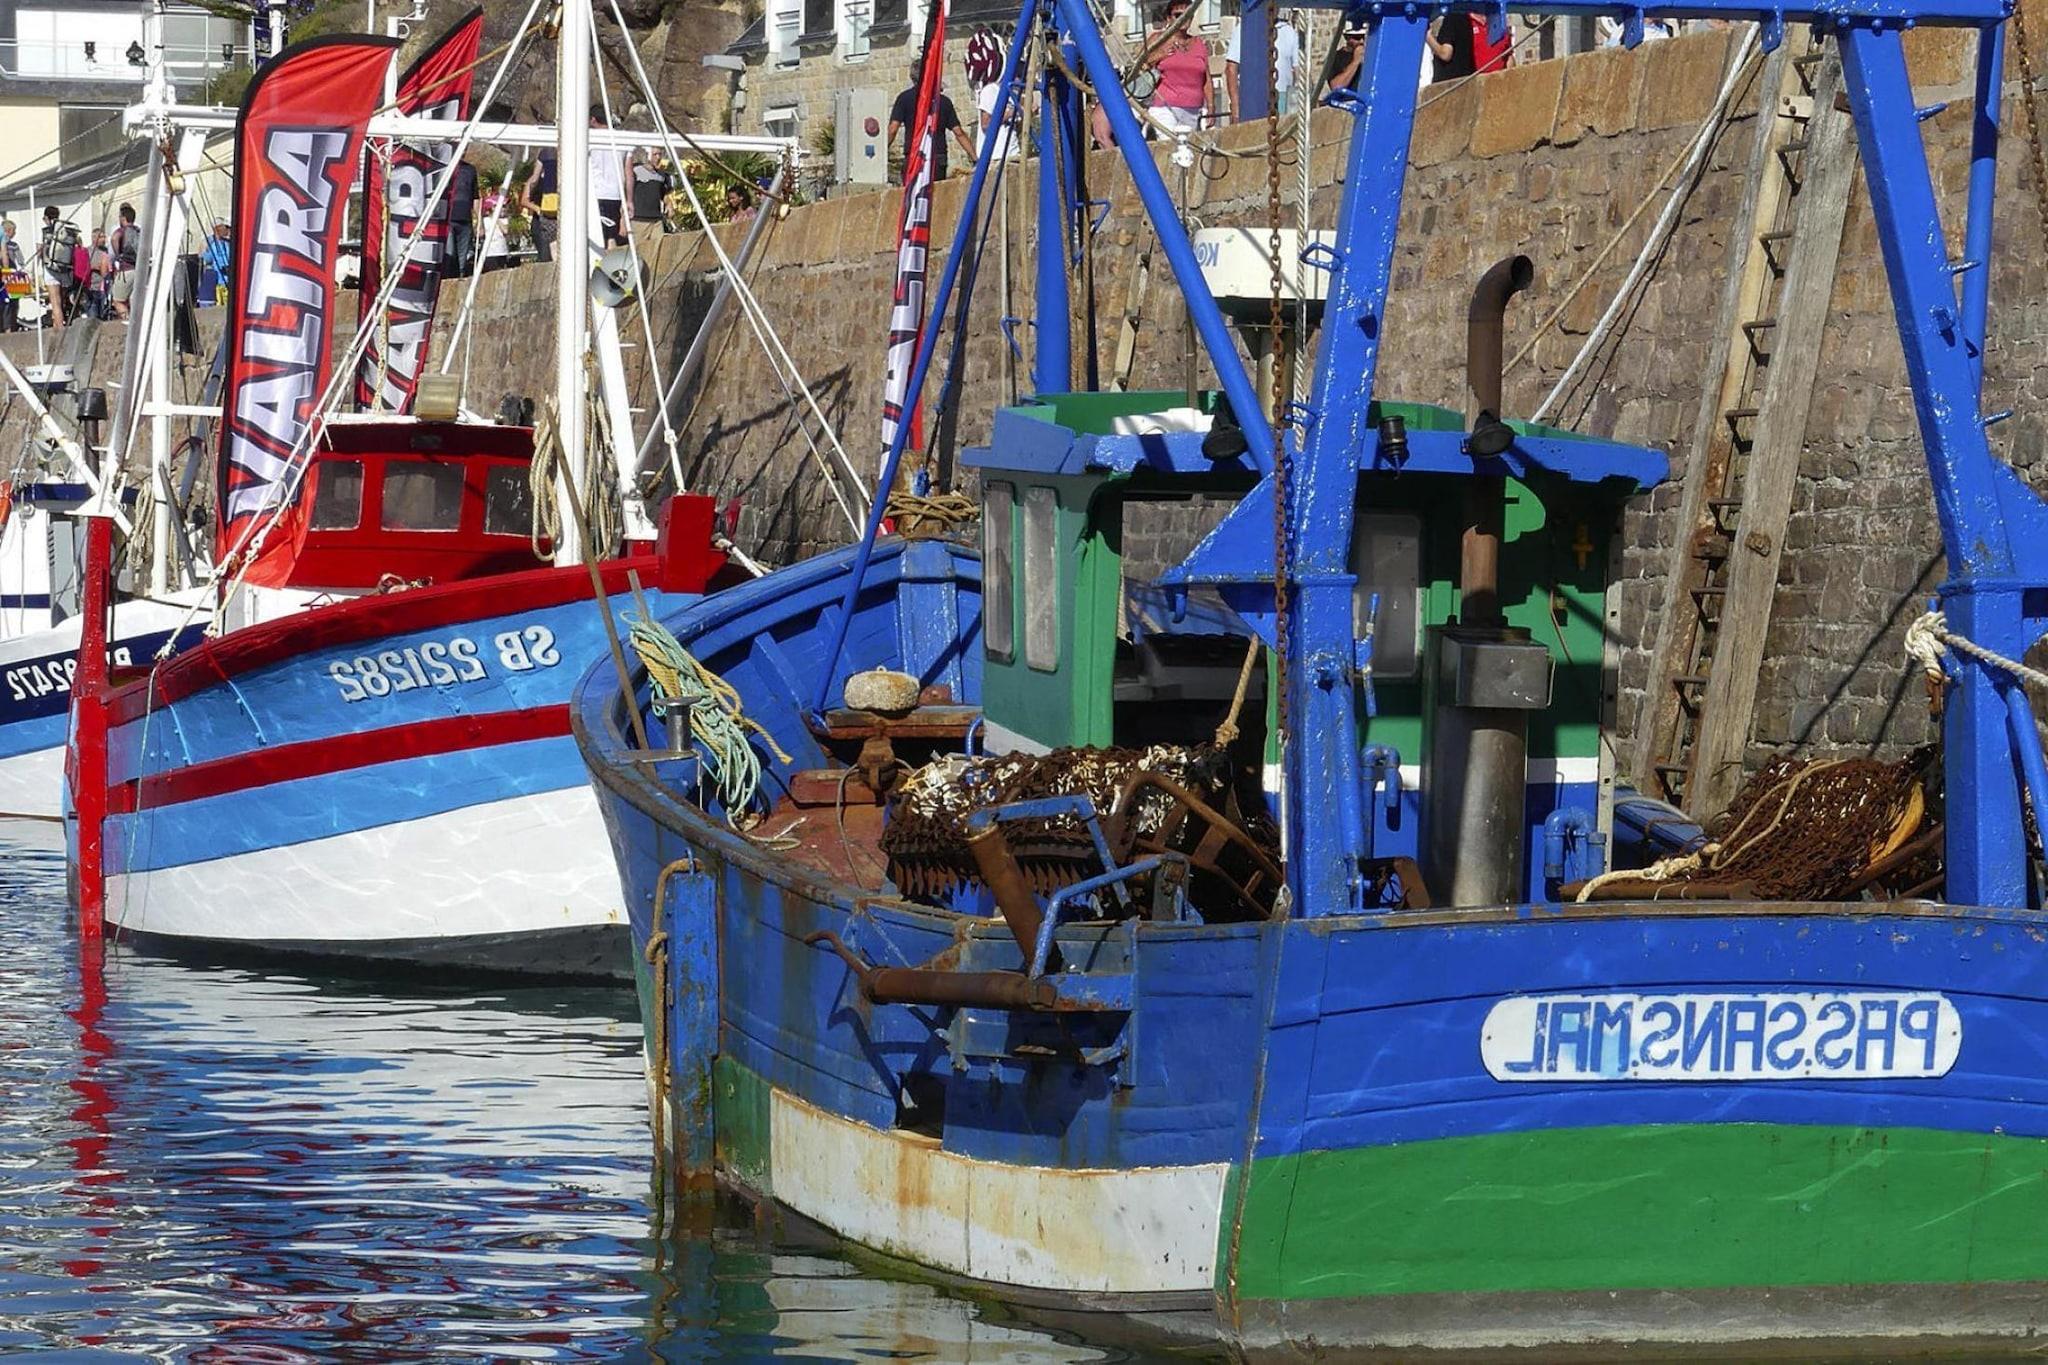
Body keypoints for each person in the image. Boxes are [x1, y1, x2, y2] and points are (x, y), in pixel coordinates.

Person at [889, 59, 977, 183]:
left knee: (912, 192)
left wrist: (883, 152)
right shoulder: (943, 101)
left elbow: (893, 129)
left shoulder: (904, 98)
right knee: (936, 192)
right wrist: (975, 158)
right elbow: (958, 132)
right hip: (937, 155)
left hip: (915, 155)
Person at [1145, 0, 1212, 136]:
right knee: (1169, 144)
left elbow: (1206, 79)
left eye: (1188, 14)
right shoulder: (1158, 39)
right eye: (1178, 15)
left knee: (1189, 147)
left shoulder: (1199, 44)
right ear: (1169, 18)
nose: (1183, 18)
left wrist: (1211, 107)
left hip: (1193, 109)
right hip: (1165, 108)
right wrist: (1159, 55)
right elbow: (1140, 66)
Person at [1224, 9, 1301, 119]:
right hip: (1253, 99)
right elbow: (1231, 69)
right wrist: (1235, 105)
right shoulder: (1244, 29)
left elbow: (1298, 71)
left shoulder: (1289, 32)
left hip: (1283, 99)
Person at [588, 106, 630, 247]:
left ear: (593, 119)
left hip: (596, 195)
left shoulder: (588, 138)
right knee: (612, 238)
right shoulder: (623, 138)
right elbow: (629, 174)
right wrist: (629, 200)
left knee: (597, 239)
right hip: (616, 195)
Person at [520, 151, 558, 263]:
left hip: (555, 218)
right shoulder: (533, 182)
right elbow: (524, 201)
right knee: (545, 255)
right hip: (541, 219)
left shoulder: (557, 180)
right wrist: (538, 209)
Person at [39, 206, 74, 329]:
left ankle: (59, 327)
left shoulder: (45, 231)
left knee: (55, 301)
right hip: (64, 269)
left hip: (50, 269)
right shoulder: (65, 230)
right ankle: (60, 323)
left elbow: (40, 252)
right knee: (62, 300)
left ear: (46, 217)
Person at [447, 158, 477, 278]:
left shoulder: (470, 169)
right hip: (449, 218)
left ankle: (460, 275)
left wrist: (478, 221)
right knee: (449, 253)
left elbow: (475, 196)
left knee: (463, 256)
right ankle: (448, 277)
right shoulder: (445, 166)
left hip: (465, 218)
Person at [109, 202, 138, 321]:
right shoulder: (138, 230)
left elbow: (114, 238)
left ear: (123, 218)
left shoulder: (122, 231)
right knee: (132, 300)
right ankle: (136, 323)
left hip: (125, 270)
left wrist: (118, 255)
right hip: (139, 269)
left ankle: (128, 322)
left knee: (118, 301)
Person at [630, 147, 669, 229]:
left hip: (657, 220)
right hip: (638, 219)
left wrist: (669, 205)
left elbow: (663, 194)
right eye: (655, 154)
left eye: (660, 154)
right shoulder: (635, 171)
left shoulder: (662, 175)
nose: (658, 157)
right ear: (647, 155)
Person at [82, 228, 112, 320]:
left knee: (103, 316)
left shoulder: (106, 251)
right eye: (101, 237)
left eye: (104, 237)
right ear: (94, 238)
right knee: (93, 317)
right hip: (91, 288)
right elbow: (83, 267)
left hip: (103, 288)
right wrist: (95, 267)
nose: (104, 239)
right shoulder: (87, 251)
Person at [202, 217, 232, 306]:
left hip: (226, 282)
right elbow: (207, 258)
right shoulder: (214, 244)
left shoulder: (227, 244)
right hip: (221, 282)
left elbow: (207, 258)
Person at [0, 220, 21, 333]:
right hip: (11, 275)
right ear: (8, 231)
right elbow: (20, 260)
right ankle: (10, 327)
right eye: (14, 230)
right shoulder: (13, 245)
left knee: (4, 302)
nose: (15, 233)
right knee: (12, 302)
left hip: (5, 274)